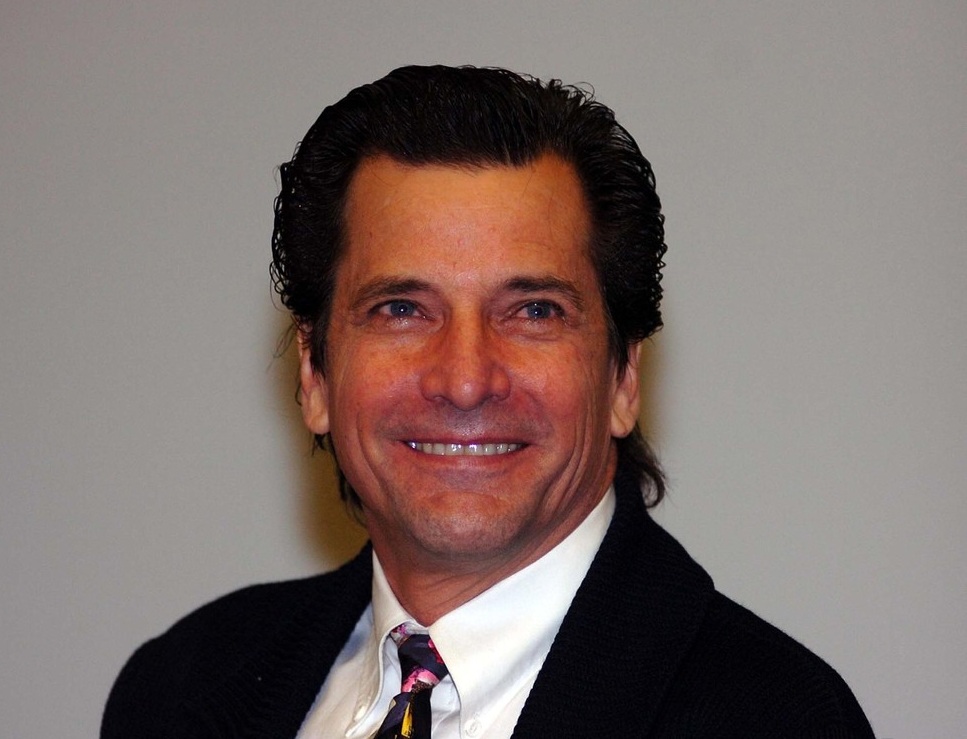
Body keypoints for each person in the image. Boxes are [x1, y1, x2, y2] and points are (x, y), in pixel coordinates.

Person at [102, 65, 874, 738]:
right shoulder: (176, 688)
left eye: (533, 310)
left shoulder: (776, 717)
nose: (465, 378)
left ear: (622, 377)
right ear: (314, 374)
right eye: (401, 309)